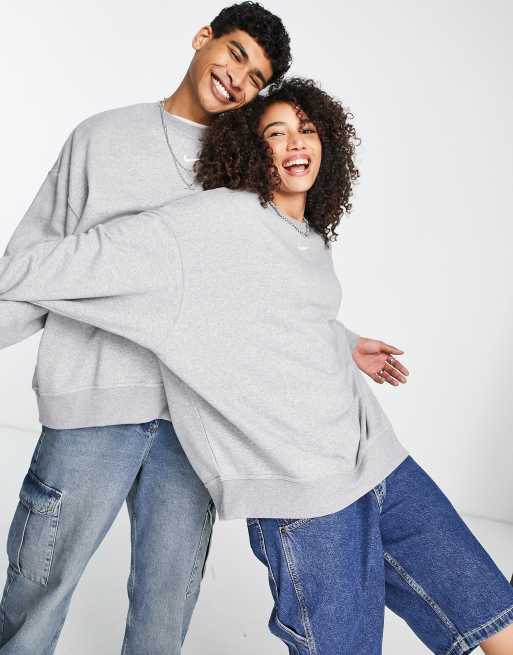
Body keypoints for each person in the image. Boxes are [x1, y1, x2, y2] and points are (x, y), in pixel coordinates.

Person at [2, 77, 513, 654]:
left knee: (496, 616)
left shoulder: (308, 235)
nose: (296, 142)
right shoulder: (211, 222)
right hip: (306, 498)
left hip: (380, 464)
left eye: (307, 129)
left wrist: (341, 342)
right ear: (253, 150)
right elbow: (74, 265)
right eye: (277, 133)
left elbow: (265, 316)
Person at [0, 3, 292, 653]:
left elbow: (263, 289)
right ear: (203, 38)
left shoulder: (248, 173)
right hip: (90, 407)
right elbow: (35, 260)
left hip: (193, 425)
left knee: (164, 615)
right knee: (35, 593)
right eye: (235, 54)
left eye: (256, 77)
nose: (238, 78)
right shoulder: (101, 137)